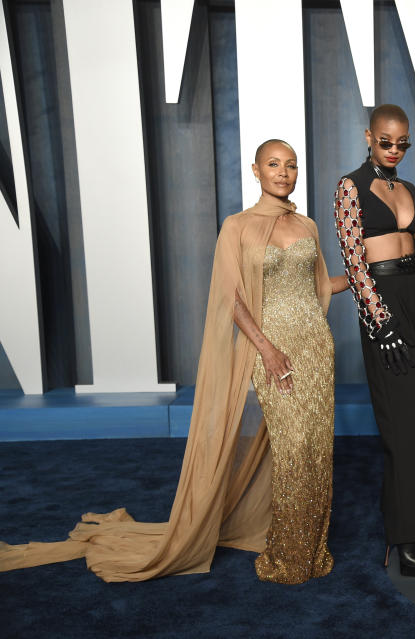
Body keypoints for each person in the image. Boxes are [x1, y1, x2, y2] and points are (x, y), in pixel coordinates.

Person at [0, 140, 345, 584]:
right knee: (293, 450)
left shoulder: (309, 225)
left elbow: (319, 287)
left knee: (317, 452)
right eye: (273, 164)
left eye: (291, 165)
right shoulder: (236, 227)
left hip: (316, 349)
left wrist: (366, 275)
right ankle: (288, 555)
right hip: (272, 351)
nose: (283, 172)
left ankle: (312, 550)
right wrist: (267, 348)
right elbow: (232, 300)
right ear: (255, 171)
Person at [334, 104, 415, 577]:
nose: (395, 149)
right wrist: (379, 322)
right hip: (382, 303)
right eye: (386, 141)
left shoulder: (410, 188)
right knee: (402, 423)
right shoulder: (350, 186)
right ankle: (403, 540)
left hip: (414, 298)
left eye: (402, 143)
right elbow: (354, 260)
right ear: (368, 136)